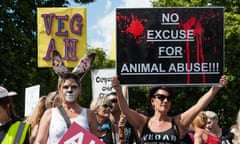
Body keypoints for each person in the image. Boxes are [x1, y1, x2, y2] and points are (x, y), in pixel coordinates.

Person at [112, 75, 227, 143]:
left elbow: (198, 106)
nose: (165, 101)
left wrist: (214, 89)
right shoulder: (143, 122)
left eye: (169, 98)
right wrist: (118, 90)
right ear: (152, 101)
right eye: (161, 97)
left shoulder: (178, 123)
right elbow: (125, 109)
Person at [35, 50, 99, 143]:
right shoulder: (50, 114)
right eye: (65, 87)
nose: (70, 90)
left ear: (79, 90)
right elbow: (39, 142)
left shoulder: (89, 115)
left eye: (74, 87)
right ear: (60, 90)